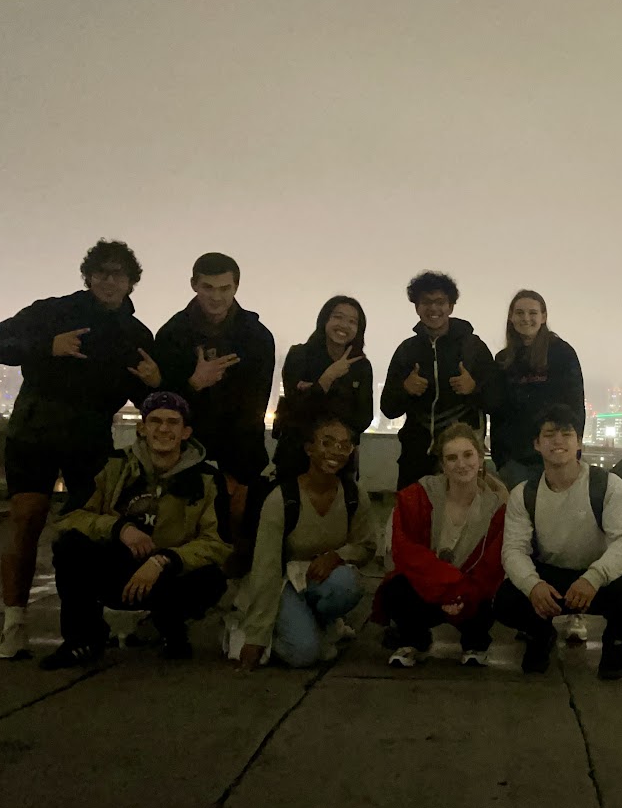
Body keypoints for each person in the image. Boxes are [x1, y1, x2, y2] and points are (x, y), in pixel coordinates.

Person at [0, 239, 160, 660]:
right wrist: (45, 346)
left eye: (119, 274)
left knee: (88, 532)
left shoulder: (135, 334)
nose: (110, 281)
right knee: (27, 519)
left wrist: (155, 383)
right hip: (34, 433)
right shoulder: (52, 311)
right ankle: (13, 624)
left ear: (132, 282)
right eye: (102, 272)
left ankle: (84, 627)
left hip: (90, 441)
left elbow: (152, 402)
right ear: (88, 276)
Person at [39, 392, 231, 669]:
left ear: (186, 431)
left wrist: (164, 559)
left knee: (211, 578)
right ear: (142, 427)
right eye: (155, 421)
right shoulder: (112, 465)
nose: (163, 429)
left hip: (169, 574)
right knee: (70, 546)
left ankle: (171, 628)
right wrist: (119, 528)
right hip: (118, 567)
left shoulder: (208, 480)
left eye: (172, 422)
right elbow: (69, 517)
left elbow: (219, 543)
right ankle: (83, 639)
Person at [495, 404, 622, 680]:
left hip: (595, 577)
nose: (558, 441)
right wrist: (533, 586)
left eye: (566, 434)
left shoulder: (608, 486)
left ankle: (615, 643)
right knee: (506, 599)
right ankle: (540, 634)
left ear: (579, 442)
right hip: (551, 578)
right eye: (549, 435)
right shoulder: (524, 494)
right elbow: (514, 550)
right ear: (537, 444)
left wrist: (594, 578)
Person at [153, 252, 275, 555]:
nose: (216, 297)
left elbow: (254, 407)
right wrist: (195, 383)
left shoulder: (257, 337)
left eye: (224, 288)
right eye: (208, 287)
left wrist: (238, 472)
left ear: (236, 287)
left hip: (240, 451)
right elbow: (163, 405)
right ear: (194, 285)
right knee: (182, 532)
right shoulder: (172, 334)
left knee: (238, 529)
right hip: (185, 449)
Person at [235, 416, 376, 670]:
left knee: (348, 584)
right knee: (304, 655)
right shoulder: (282, 499)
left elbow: (365, 545)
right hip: (283, 583)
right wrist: (256, 637)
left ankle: (320, 623)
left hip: (319, 579)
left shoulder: (354, 495)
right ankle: (241, 629)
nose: (336, 451)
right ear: (309, 448)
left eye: (345, 445)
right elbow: (265, 568)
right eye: (327, 442)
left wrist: (337, 556)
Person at [372, 423, 508, 668]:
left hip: (469, 594)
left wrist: (461, 592)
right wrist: (449, 589)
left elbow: (492, 564)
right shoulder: (418, 497)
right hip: (429, 588)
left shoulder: (496, 507)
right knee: (397, 589)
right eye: (452, 458)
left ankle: (475, 643)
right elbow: (406, 551)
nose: (461, 464)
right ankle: (415, 641)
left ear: (480, 458)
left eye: (468, 455)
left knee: (493, 594)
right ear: (443, 465)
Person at [380, 271, 498, 491]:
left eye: (440, 302)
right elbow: (388, 408)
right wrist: (405, 388)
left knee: (464, 522)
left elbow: (496, 402)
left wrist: (473, 388)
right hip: (415, 458)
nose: (433, 309)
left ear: (451, 307)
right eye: (426, 302)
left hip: (462, 458)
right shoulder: (407, 351)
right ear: (416, 307)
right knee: (413, 521)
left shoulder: (474, 348)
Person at [490, 289, 585, 491]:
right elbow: (497, 412)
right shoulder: (503, 360)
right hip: (515, 463)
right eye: (520, 313)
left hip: (555, 456)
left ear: (543, 317)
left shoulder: (562, 353)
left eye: (532, 313)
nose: (526, 318)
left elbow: (575, 406)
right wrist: (501, 460)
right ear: (511, 317)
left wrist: (573, 453)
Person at [273, 296, 373, 480]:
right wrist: (328, 378)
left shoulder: (361, 366)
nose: (344, 325)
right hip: (296, 455)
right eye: (338, 317)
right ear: (324, 320)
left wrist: (315, 391)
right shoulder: (299, 355)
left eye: (352, 321)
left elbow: (364, 417)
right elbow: (296, 409)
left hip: (340, 458)